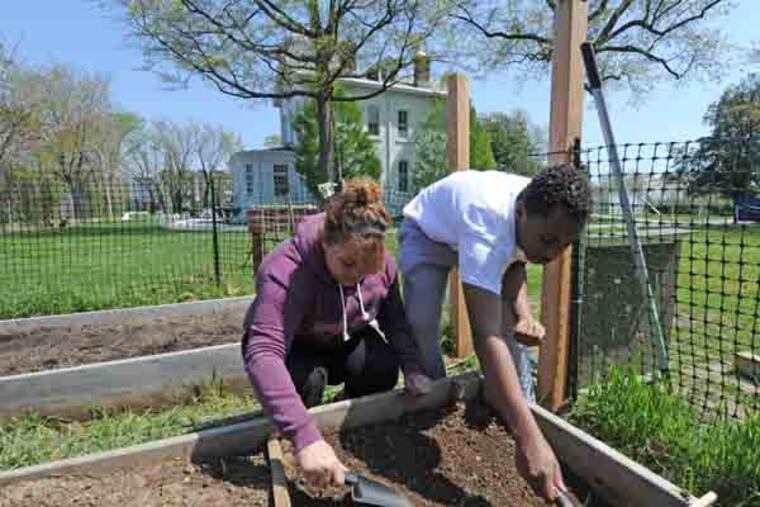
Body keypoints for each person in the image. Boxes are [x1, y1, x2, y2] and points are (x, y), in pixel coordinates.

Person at [399, 164, 592, 501]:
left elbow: (516, 258)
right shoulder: (486, 219)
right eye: (548, 241)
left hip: (480, 231)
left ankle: (521, 410)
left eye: (563, 246)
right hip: (428, 233)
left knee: (510, 333)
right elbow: (485, 334)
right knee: (421, 325)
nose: (551, 254)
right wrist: (528, 440)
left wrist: (522, 315)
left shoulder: (540, 212)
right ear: (520, 212)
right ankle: (436, 406)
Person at [242, 177, 432, 490]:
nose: (356, 276)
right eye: (347, 264)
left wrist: (412, 368)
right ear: (326, 243)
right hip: (296, 347)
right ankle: (294, 436)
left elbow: (394, 320)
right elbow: (263, 352)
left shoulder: (382, 265)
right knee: (307, 381)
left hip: (340, 340)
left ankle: (337, 418)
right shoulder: (286, 271)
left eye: (366, 269)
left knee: (382, 365)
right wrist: (305, 437)